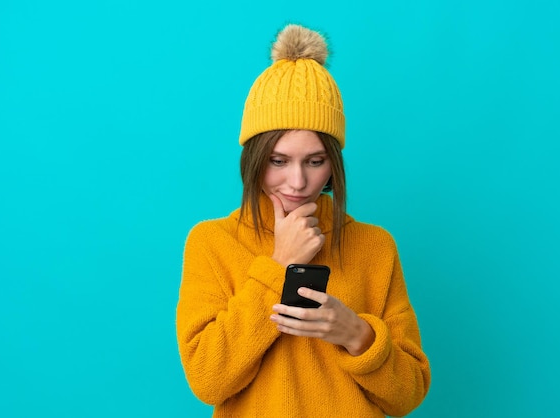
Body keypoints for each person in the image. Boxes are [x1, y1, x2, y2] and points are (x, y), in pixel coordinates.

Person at [176, 24, 430, 417]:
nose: (297, 182)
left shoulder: (375, 246)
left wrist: (358, 336)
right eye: (279, 161)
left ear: (333, 163)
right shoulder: (213, 242)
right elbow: (209, 381)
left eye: (315, 161)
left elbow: (408, 395)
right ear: (253, 158)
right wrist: (278, 265)